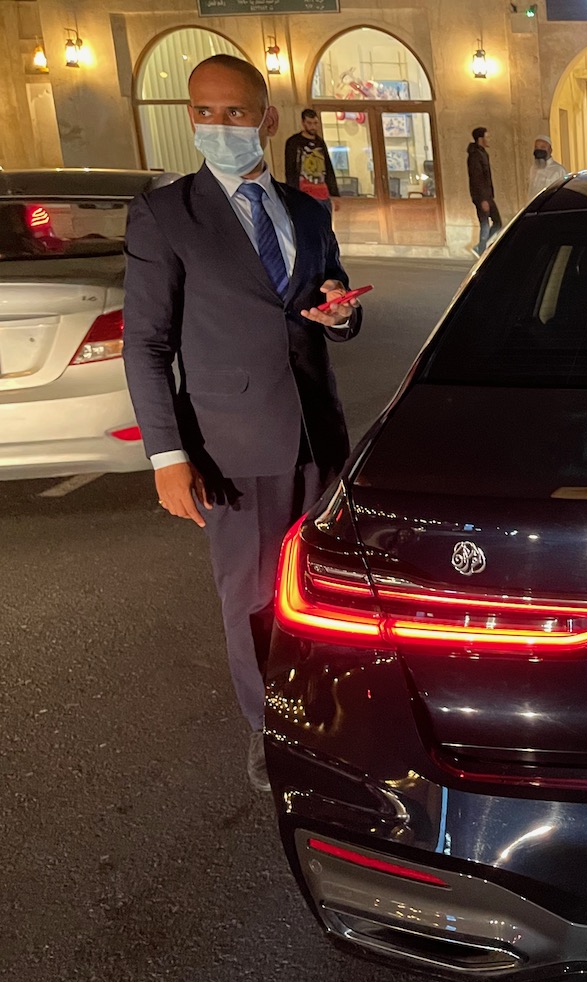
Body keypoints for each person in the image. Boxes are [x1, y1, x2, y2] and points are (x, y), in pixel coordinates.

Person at [123, 54, 363, 794]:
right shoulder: (168, 214)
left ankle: (326, 712)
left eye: (235, 112)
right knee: (253, 598)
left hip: (318, 437)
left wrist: (343, 312)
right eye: (204, 112)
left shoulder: (308, 210)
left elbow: (332, 303)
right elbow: (147, 343)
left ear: (266, 116)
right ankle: (270, 729)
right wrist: (167, 455)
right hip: (231, 445)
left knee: (325, 591)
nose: (219, 126)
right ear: (190, 117)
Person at [282, 109, 340, 213]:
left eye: (315, 123)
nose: (313, 126)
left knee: (325, 224)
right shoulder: (294, 142)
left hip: (322, 193)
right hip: (304, 193)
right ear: (303, 123)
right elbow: (290, 169)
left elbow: (328, 167)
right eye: (309, 123)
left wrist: (334, 193)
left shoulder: (320, 142)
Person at [466, 126, 498, 257]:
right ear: (480, 138)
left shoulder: (483, 153)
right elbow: (477, 178)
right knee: (485, 223)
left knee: (496, 222)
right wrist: (483, 199)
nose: (489, 139)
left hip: (487, 195)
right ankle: (481, 249)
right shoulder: (475, 156)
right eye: (487, 136)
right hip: (482, 196)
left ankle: (481, 248)